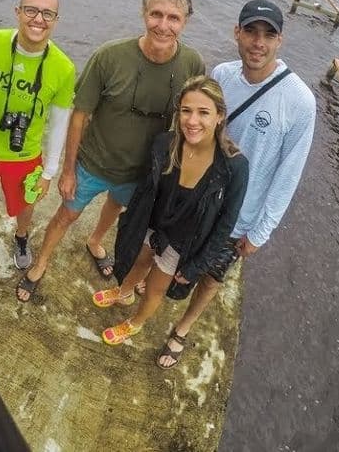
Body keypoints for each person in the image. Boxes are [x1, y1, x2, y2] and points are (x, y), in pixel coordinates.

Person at [149, 0, 315, 369]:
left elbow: (290, 172)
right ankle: (157, 289)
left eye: (268, 35)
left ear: (280, 41)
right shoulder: (222, 76)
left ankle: (182, 330)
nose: (258, 43)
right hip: (195, 201)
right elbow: (194, 128)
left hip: (240, 216)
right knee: (170, 253)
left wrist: (261, 231)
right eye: (251, 32)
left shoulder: (299, 101)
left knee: (211, 275)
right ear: (236, 33)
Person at [16, 0, 205, 302]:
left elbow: (196, 119)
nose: (163, 25)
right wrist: (68, 170)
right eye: (156, 14)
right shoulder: (109, 56)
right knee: (66, 215)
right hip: (93, 163)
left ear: (185, 20)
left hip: (140, 174)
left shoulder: (192, 64)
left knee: (115, 207)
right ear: (143, 14)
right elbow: (80, 115)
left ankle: (95, 241)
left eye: (173, 18)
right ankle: (41, 262)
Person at [92, 76, 248, 353]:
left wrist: (197, 266)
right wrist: (131, 220)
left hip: (182, 240)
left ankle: (136, 321)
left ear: (220, 116)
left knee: (154, 288)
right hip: (154, 224)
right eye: (186, 110)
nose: (192, 121)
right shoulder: (165, 143)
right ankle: (124, 292)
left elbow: (226, 222)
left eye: (203, 112)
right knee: (138, 261)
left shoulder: (234, 167)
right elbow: (146, 188)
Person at [0, 0, 76, 293]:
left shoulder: (63, 67)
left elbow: (60, 122)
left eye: (47, 13)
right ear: (17, 12)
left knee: (26, 204)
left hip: (25, 156)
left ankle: (22, 238)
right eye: (31, 10)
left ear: (56, 19)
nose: (38, 19)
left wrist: (50, 171)